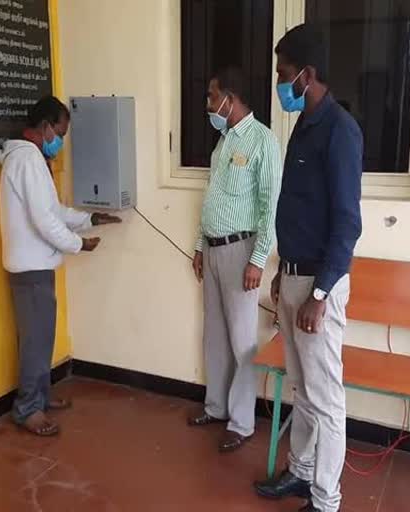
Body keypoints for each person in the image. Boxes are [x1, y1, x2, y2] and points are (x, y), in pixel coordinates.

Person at [253, 25, 363, 512]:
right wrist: (282, 271)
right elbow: (299, 208)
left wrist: (319, 296)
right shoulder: (306, 122)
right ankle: (300, 473)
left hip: (320, 283)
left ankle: (326, 499)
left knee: (325, 399)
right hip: (295, 275)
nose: (280, 84)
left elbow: (346, 223)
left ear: (307, 75)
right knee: (302, 388)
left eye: (283, 74)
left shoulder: (340, 130)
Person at [0, 95, 121, 437]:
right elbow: (43, 221)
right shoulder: (25, 161)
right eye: (61, 133)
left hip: (36, 266)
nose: (61, 142)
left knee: (41, 339)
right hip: (30, 268)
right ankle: (27, 409)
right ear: (46, 126)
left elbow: (55, 212)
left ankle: (41, 397)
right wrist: (78, 244)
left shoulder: (32, 160)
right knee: (35, 342)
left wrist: (90, 219)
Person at [187, 67, 282, 452]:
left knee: (242, 339)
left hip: (242, 252)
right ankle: (216, 406)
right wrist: (198, 245)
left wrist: (258, 260)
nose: (209, 105)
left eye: (212, 97)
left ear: (231, 98)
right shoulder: (222, 141)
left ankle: (241, 424)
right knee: (215, 333)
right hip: (211, 249)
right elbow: (212, 198)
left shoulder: (263, 142)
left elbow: (269, 208)